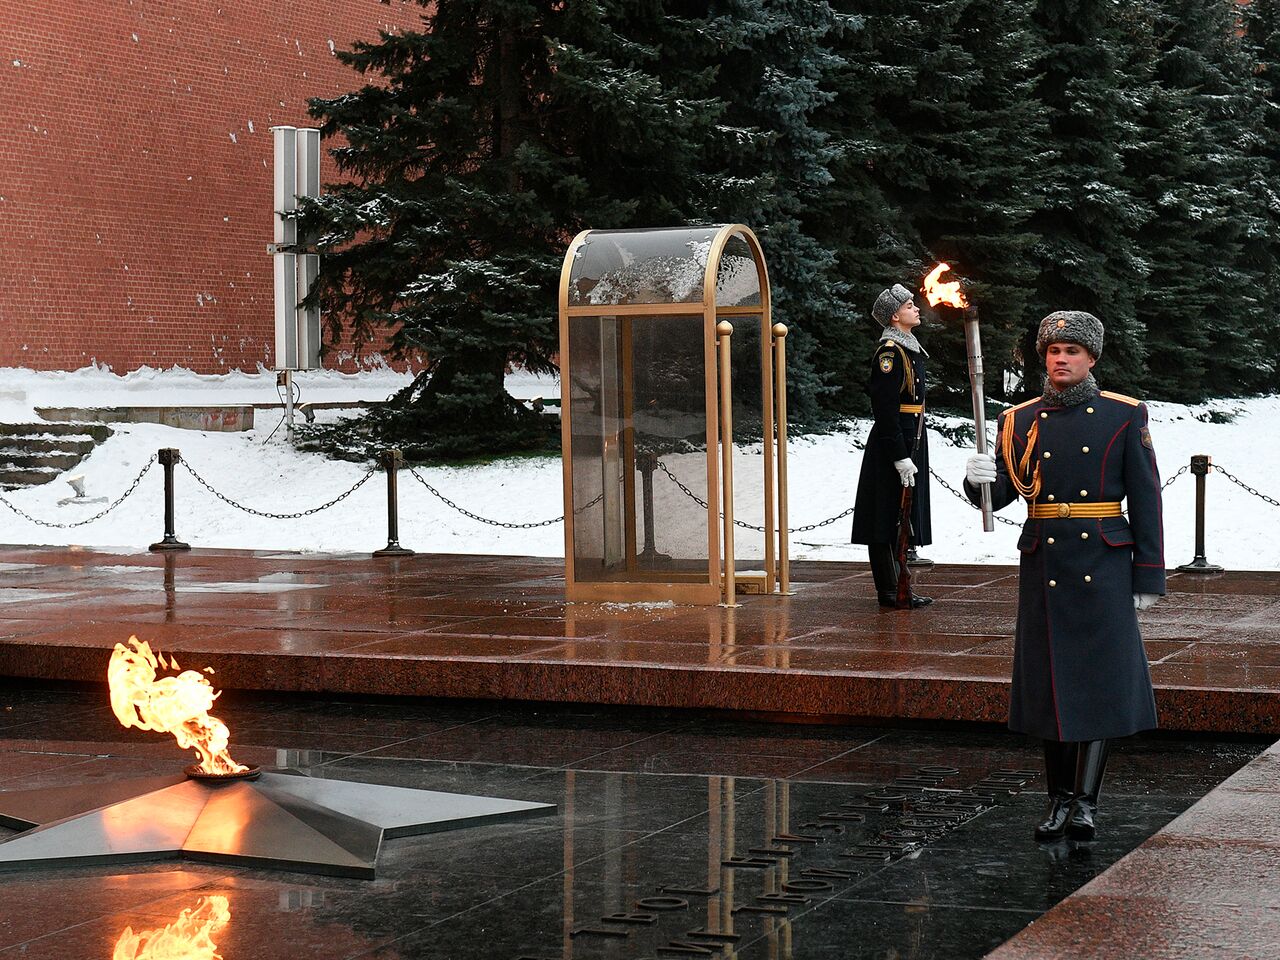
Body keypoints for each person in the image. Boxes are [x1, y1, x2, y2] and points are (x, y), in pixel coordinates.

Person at [964, 310, 1165, 842]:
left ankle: (1085, 803)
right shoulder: (1020, 418)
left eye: (1071, 351)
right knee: (1051, 685)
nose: (1060, 360)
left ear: (1091, 358)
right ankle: (1056, 799)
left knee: (1096, 682)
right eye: (1053, 351)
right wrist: (977, 479)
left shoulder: (1124, 415)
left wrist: (1148, 574)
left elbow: (1146, 498)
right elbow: (1005, 493)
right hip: (1046, 561)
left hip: (1103, 560)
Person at [851, 283, 933, 608]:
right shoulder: (890, 352)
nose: (916, 308)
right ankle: (889, 590)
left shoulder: (908, 348)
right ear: (895, 315)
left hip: (910, 433)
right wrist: (898, 454)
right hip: (894, 438)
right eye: (910, 304)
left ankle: (901, 586)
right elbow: (885, 408)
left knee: (902, 514)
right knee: (886, 516)